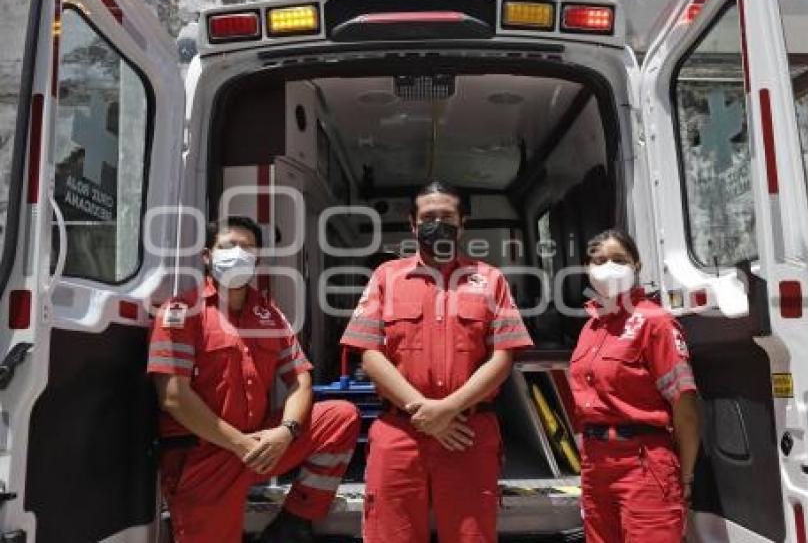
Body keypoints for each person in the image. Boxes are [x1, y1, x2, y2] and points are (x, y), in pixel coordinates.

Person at [341, 180, 534, 543]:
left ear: (463, 223)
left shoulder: (491, 280)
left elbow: (503, 357)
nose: (437, 224)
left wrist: (446, 410)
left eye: (447, 216)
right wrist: (424, 412)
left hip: (467, 435)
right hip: (399, 435)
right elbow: (368, 353)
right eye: (428, 217)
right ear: (413, 224)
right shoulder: (386, 277)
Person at [147, 216, 360, 543]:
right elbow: (173, 396)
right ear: (207, 256)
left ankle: (295, 521)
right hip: (205, 459)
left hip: (262, 444)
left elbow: (301, 381)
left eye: (247, 247)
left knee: (340, 417)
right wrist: (240, 444)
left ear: (257, 259)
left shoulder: (268, 314)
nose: (237, 253)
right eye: (228, 246)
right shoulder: (181, 311)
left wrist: (285, 433)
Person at [569, 229, 701, 542]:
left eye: (619, 260)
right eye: (599, 260)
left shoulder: (656, 322)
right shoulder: (590, 327)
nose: (608, 267)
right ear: (588, 268)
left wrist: (686, 476)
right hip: (595, 465)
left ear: (636, 264)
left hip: (643, 464)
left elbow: (685, 407)